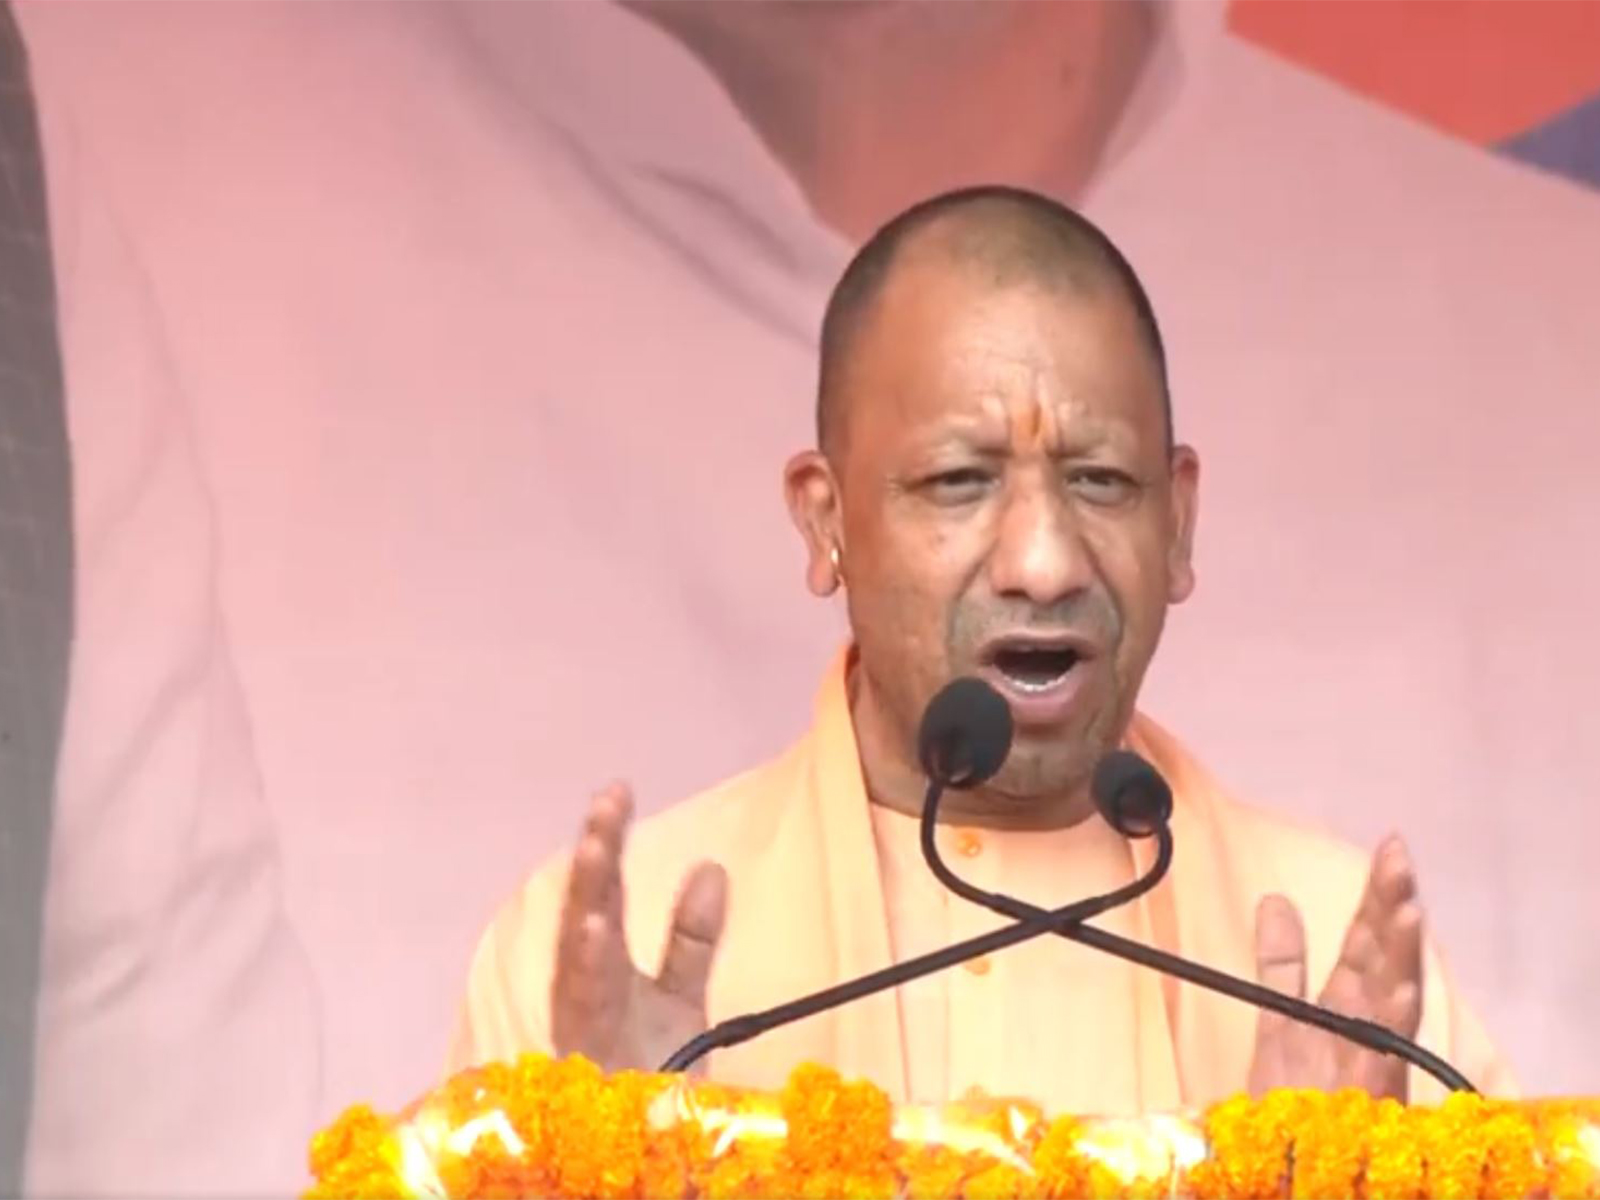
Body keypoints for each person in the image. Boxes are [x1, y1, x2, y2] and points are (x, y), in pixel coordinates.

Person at [449, 187, 1513, 1114]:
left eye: (1100, 480)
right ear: (826, 523)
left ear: (1178, 525)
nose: (1043, 564)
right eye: (959, 480)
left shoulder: (1351, 977)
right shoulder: (594, 960)